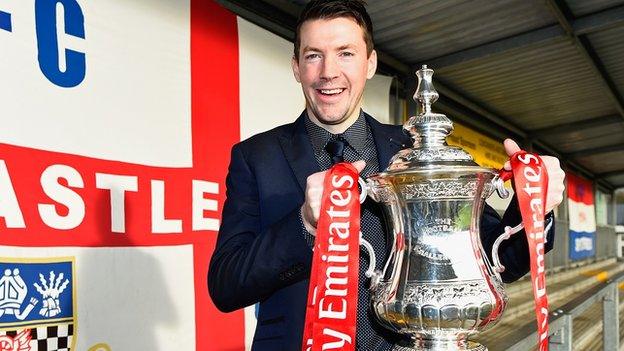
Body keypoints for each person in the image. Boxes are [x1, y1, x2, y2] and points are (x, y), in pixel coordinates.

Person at [208, 1, 566, 350]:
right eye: (313, 54)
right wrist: (303, 224)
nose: (328, 71)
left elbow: (496, 258)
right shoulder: (256, 157)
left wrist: (531, 206)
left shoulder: (415, 152)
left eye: (345, 53)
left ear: (370, 63)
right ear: (297, 67)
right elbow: (226, 285)